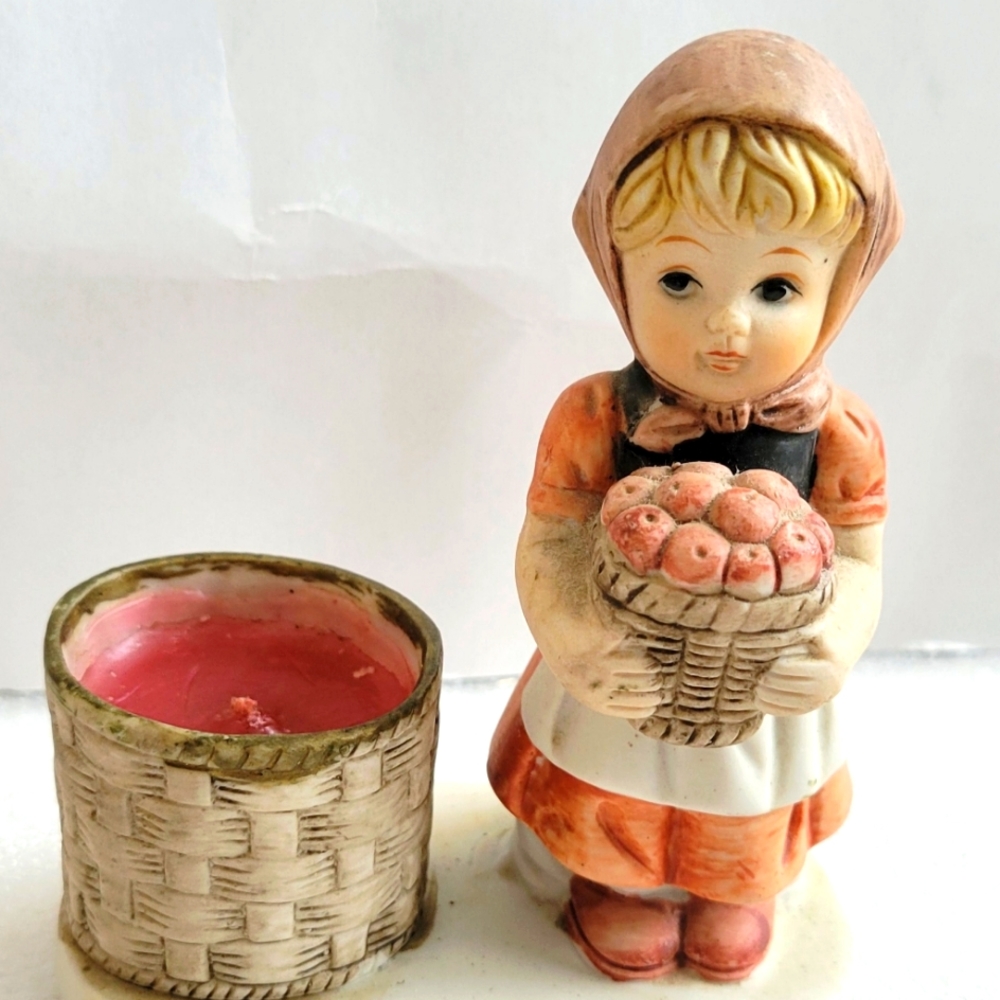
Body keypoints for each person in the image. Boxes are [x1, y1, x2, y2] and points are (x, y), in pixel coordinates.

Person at [488, 30, 902, 983]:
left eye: (778, 285)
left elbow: (864, 563)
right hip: (624, 676)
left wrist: (832, 641)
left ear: (842, 285)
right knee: (613, 790)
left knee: (742, 800)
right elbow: (550, 539)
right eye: (681, 278)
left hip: (758, 689)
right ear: (617, 267)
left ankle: (733, 889)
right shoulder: (597, 412)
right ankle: (614, 886)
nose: (729, 322)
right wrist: (577, 639)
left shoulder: (841, 433)